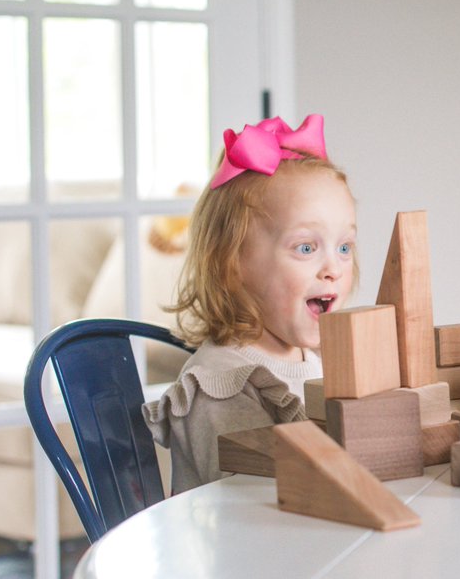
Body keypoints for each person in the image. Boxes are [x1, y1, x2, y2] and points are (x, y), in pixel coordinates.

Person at [144, 114, 358, 493]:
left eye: (344, 247)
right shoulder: (218, 386)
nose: (334, 269)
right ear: (232, 264)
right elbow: (257, 499)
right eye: (306, 247)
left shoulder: (319, 362)